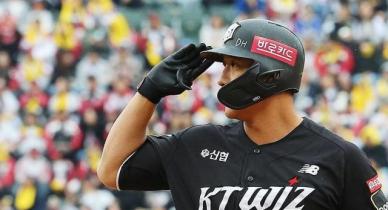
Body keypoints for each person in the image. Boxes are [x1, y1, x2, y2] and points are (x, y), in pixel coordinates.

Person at [97, 19, 388, 210]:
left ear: (270, 76)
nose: (222, 78)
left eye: (234, 65)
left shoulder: (339, 158)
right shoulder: (196, 145)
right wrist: (148, 93)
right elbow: (112, 169)